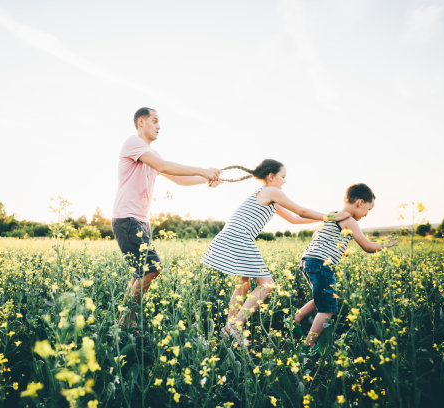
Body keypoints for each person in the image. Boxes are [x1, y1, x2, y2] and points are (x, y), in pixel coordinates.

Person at [201, 159, 349, 346]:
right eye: (282, 177)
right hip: (240, 237)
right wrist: (331, 216)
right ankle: (234, 327)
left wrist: (323, 221)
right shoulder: (271, 191)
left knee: (243, 286)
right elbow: (301, 210)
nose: (284, 181)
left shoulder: (267, 195)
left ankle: (227, 330)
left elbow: (294, 219)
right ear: (271, 176)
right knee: (266, 285)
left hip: (232, 236)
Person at [112, 107, 221, 327]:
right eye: (154, 121)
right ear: (141, 122)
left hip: (141, 221)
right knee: (153, 269)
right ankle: (125, 323)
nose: (159, 126)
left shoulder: (152, 156)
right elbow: (163, 166)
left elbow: (177, 178)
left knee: (139, 274)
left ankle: (126, 323)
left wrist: (206, 180)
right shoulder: (133, 143)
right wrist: (203, 170)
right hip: (127, 218)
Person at [291, 183, 397, 355]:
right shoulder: (349, 221)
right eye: (368, 209)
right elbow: (368, 247)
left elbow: (317, 236)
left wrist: (339, 249)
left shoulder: (332, 216)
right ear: (360, 203)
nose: (367, 214)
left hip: (308, 261)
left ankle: (295, 319)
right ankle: (308, 346)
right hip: (321, 263)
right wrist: (386, 244)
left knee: (321, 298)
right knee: (328, 308)